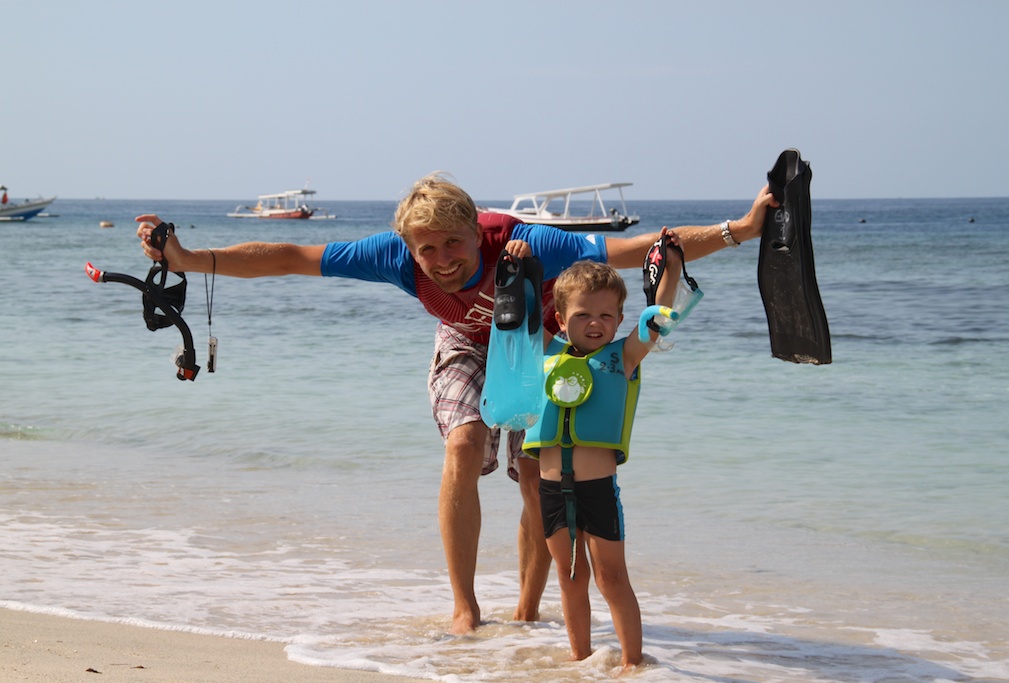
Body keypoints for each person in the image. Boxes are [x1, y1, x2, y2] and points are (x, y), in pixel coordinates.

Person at [136, 172, 777, 635]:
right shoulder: (395, 255)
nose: (441, 260)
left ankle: (527, 611)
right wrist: (190, 258)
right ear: (410, 247)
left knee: (536, 474)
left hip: (533, 338)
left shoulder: (526, 242)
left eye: (453, 243)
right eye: (428, 249)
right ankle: (465, 605)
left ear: (476, 230)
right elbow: (289, 256)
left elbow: (646, 249)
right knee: (465, 443)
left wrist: (740, 229)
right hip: (463, 342)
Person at [522, 243, 681, 669]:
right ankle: (580, 661)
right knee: (571, 578)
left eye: (606, 316)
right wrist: (519, 263)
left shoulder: (623, 358)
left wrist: (674, 265)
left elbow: (661, 314)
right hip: (552, 491)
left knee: (612, 579)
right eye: (583, 315)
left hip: (598, 491)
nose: (595, 323)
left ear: (619, 320)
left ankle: (633, 664)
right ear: (560, 319)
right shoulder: (545, 352)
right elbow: (517, 303)